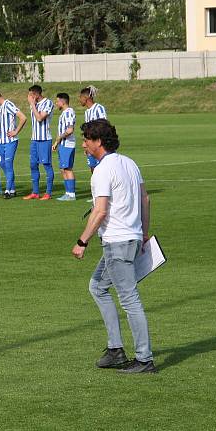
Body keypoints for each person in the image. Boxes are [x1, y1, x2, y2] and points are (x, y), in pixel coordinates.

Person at [72, 119, 156, 374]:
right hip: (130, 238)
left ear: (98, 142)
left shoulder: (102, 170)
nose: (83, 144)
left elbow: (99, 211)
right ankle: (115, 349)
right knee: (97, 286)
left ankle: (144, 359)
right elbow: (145, 199)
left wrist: (82, 241)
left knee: (130, 299)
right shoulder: (129, 163)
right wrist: (142, 233)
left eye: (87, 139)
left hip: (117, 242)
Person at [0, 88, 26, 199]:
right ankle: (12, 189)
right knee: (3, 164)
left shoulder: (8, 104)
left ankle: (8, 190)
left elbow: (23, 117)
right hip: (0, 141)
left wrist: (16, 131)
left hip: (10, 142)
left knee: (8, 165)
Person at [24, 85, 54, 200]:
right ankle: (35, 192)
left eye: (30, 95)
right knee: (33, 165)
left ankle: (48, 193)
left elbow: (40, 118)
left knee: (46, 165)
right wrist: (33, 104)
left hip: (45, 139)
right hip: (34, 139)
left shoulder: (48, 103)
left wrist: (32, 104)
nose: (29, 97)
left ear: (36, 94)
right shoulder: (35, 104)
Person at [53, 93, 77, 201]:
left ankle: (71, 194)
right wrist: (56, 143)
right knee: (63, 169)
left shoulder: (68, 112)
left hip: (67, 145)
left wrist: (59, 138)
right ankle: (68, 193)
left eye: (57, 101)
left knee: (67, 169)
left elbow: (70, 130)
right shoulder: (64, 113)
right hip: (63, 145)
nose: (56, 103)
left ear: (62, 102)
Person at [80, 85, 107, 171]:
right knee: (92, 168)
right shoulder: (87, 112)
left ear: (86, 97)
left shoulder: (99, 108)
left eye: (80, 97)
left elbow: (104, 125)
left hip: (99, 145)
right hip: (90, 145)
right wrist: (87, 144)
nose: (79, 100)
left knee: (101, 168)